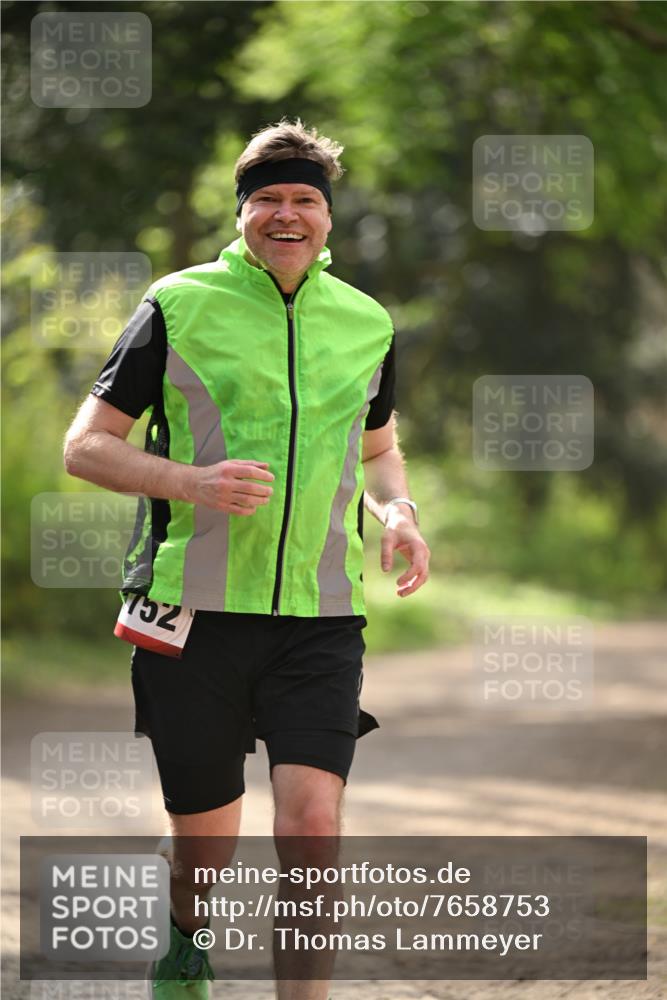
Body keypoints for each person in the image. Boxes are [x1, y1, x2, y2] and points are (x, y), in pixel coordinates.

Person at [63, 118, 430, 999]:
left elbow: (378, 449)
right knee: (207, 845)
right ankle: (186, 941)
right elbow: (86, 447)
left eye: (305, 199)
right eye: (267, 198)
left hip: (322, 617)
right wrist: (190, 481)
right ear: (241, 212)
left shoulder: (367, 323)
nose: (286, 214)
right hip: (194, 612)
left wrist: (401, 512)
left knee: (311, 825)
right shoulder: (178, 303)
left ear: (329, 216)